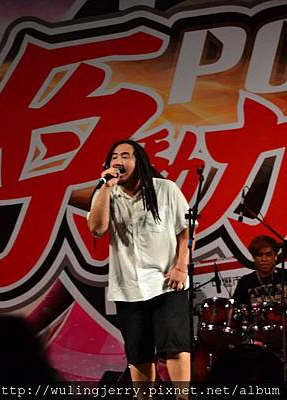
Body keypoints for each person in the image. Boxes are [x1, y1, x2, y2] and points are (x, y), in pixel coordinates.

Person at [87, 139, 192, 396]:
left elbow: (186, 230)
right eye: (114, 157)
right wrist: (105, 187)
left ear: (139, 161)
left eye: (125, 156)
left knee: (174, 346)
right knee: (138, 354)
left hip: (166, 282)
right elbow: (97, 229)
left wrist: (181, 266)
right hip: (128, 288)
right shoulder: (106, 194)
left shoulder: (165, 189)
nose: (118, 161)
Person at [233, 235, 285, 306]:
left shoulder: (285, 275)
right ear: (253, 258)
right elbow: (235, 308)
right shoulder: (245, 282)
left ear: (275, 256)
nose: (264, 259)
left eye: (268, 254)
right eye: (259, 255)